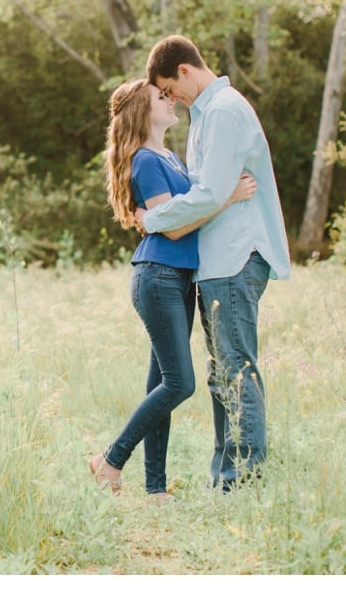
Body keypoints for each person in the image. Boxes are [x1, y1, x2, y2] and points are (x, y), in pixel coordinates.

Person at [88, 78, 256, 501]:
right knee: (180, 383)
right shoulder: (145, 160)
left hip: (178, 278)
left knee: (160, 384)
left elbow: (176, 212)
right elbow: (176, 226)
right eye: (160, 98)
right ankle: (110, 459)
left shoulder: (170, 158)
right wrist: (228, 197)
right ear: (143, 112)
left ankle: (156, 489)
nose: (169, 100)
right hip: (159, 275)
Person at [138, 35, 290, 493]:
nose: (171, 99)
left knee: (236, 368)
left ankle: (241, 480)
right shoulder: (208, 114)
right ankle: (225, 477)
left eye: (169, 88)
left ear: (185, 70)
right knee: (221, 371)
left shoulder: (223, 111)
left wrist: (151, 219)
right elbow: (212, 192)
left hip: (235, 256)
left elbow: (207, 194)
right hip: (219, 258)